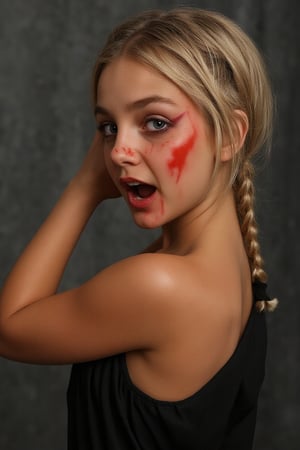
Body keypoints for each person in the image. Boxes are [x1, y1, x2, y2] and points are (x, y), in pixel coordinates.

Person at [0, 7, 278, 450]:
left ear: (229, 134)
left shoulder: (160, 285)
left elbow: (8, 328)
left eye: (155, 122)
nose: (118, 152)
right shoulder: (240, 273)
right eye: (108, 127)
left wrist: (85, 187)